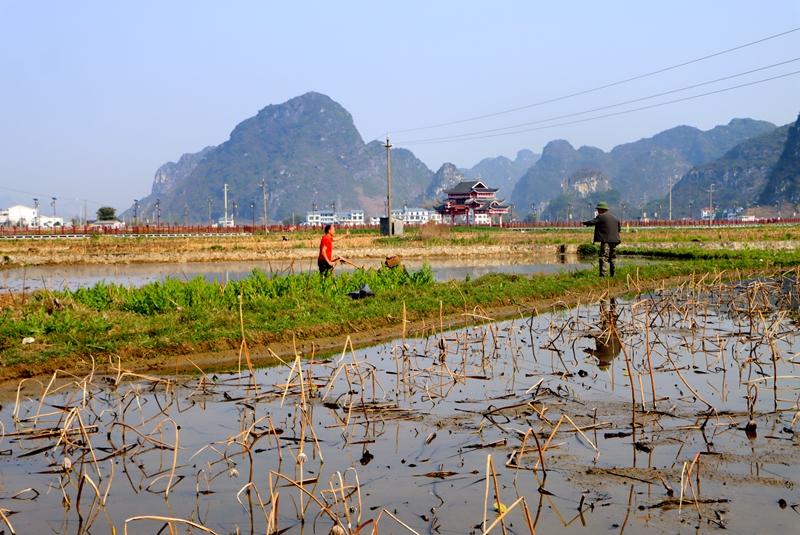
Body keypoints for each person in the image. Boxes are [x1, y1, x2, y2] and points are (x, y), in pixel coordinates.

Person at [582, 201, 621, 277]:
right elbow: (619, 229)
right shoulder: (615, 218)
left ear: (601, 209)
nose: (597, 211)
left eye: (598, 209)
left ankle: (603, 275)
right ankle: (613, 275)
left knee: (604, 257)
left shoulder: (601, 217)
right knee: (613, 257)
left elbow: (593, 222)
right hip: (615, 241)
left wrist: (584, 223)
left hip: (606, 240)